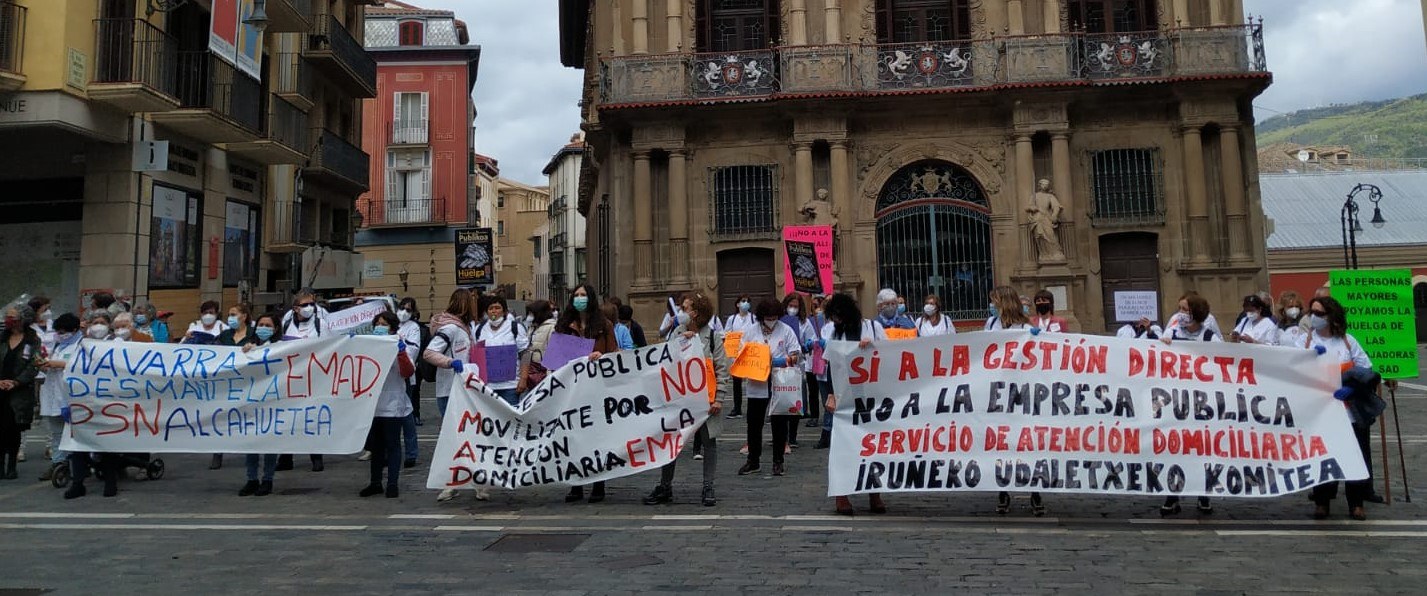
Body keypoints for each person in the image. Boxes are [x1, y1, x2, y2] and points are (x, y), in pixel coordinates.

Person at [645, 292, 727, 507]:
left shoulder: (712, 337)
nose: (680, 312)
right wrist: (682, 342)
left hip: (706, 401)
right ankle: (665, 486)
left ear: (695, 313)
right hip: (681, 400)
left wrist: (719, 399)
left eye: (685, 308)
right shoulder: (677, 333)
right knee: (671, 442)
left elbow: (721, 368)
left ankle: (708, 485)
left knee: (709, 443)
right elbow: (667, 363)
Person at [1305, 296, 1375, 521]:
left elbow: (1367, 369)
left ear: (1331, 316)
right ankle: (1322, 501)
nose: (1314, 317)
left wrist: (1352, 388)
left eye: (1319, 313)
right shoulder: (1304, 341)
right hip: (1320, 412)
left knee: (1355, 455)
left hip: (1349, 411)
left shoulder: (1347, 341)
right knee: (1323, 456)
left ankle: (1356, 502)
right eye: (1312, 312)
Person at [820, 293, 887, 515]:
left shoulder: (873, 328)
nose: (835, 321)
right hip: (843, 397)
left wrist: (873, 346)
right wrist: (830, 394)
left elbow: (891, 356)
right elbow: (831, 364)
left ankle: (874, 494)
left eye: (837, 316)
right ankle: (842, 496)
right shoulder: (833, 332)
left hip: (870, 397)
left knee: (872, 445)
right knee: (843, 447)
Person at [984, 286, 1046, 515]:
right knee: (1002, 443)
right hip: (999, 393)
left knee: (1027, 443)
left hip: (1024, 392)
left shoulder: (1027, 327)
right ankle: (1004, 490)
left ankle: (1035, 491)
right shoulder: (991, 325)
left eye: (994, 301)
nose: (991, 305)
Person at [1158, 292, 1220, 516]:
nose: (1180, 314)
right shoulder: (1172, 332)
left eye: (1185, 310)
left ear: (1196, 312)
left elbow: (1224, 364)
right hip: (1178, 403)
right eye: (1180, 309)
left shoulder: (1210, 338)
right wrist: (1163, 345)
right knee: (1175, 448)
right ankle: (1172, 494)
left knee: (1202, 449)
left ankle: (1204, 495)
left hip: (1202, 405)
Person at [556, 284, 619, 504]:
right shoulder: (564, 325)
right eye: (576, 295)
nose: (580, 298)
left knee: (595, 438)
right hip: (572, 391)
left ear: (590, 299)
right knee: (573, 438)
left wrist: (600, 356)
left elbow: (615, 355)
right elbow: (557, 359)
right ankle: (576, 484)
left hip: (597, 389)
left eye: (583, 295)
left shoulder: (604, 325)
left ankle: (598, 483)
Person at [737, 298, 802, 478]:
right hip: (757, 384)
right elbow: (741, 353)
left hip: (779, 383)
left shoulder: (786, 330)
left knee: (779, 424)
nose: (771, 320)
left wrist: (784, 361)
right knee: (754, 424)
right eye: (768, 317)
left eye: (774, 317)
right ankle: (753, 461)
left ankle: (778, 461)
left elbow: (796, 353)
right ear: (761, 317)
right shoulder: (751, 331)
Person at [425, 289, 479, 503]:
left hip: (464, 389)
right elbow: (429, 353)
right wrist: (450, 363)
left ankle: (473, 481)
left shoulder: (466, 328)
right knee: (455, 439)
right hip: (450, 390)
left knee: (469, 438)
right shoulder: (450, 329)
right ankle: (452, 483)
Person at [361, 311, 416, 499]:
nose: (379, 327)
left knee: (392, 444)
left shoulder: (400, 345)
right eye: (377, 323)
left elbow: (407, 372)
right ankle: (375, 482)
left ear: (392, 327)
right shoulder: (369, 344)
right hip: (372, 403)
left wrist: (401, 352)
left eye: (383, 324)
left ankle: (392, 483)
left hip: (393, 404)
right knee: (375, 446)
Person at [276, 291, 325, 473]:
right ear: (296, 308)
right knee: (288, 416)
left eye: (312, 304)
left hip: (313, 377)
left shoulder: (321, 325)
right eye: (305, 305)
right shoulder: (287, 324)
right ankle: (286, 457)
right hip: (291, 376)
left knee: (312, 416)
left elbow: (331, 346)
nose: (309, 308)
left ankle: (316, 456)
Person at [237, 312, 282, 496]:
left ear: (276, 329)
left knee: (269, 443)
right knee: (252, 442)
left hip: (273, 399)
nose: (263, 328)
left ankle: (268, 480)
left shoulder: (281, 347)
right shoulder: (250, 346)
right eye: (261, 325)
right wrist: (246, 352)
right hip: (252, 400)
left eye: (268, 325)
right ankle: (252, 479)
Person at [37, 314, 82, 481]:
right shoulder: (59, 345)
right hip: (53, 394)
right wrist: (46, 364)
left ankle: (75, 466)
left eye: (62, 332)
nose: (59, 334)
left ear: (75, 330)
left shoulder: (82, 345)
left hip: (71, 395)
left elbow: (84, 366)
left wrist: (61, 364)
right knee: (56, 434)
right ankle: (58, 464)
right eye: (58, 331)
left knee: (73, 434)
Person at [1, 303, 41, 480]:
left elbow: (34, 364)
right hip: (1, 388)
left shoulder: (32, 339)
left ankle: (12, 465)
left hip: (20, 391)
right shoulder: (1, 338)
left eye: (12, 317)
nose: (8, 320)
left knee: (13, 428)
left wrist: (16, 382)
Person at [473, 294, 531, 407]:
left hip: (510, 386)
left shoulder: (515, 328)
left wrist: (523, 378)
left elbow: (525, 353)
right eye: (491, 308)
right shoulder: (479, 329)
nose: (494, 311)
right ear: (486, 312)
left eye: (497, 308)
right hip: (487, 386)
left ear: (504, 312)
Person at [780, 293, 814, 450]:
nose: (792, 308)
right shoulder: (779, 322)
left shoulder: (804, 323)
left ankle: (792, 436)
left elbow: (811, 339)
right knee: (780, 401)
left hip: (796, 366)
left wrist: (807, 345)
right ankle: (781, 435)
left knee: (794, 401)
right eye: (790, 305)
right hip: (779, 367)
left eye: (796, 306)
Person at [395, 297, 423, 464]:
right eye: (402, 308)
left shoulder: (413, 328)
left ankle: (411, 453)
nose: (404, 312)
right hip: (388, 376)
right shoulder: (391, 324)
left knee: (406, 415)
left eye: (408, 309)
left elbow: (413, 351)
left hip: (405, 376)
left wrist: (400, 345)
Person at [723, 294, 757, 420]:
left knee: (752, 382)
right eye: (743, 301)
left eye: (748, 301)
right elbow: (727, 334)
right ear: (737, 304)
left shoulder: (753, 318)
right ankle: (737, 408)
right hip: (736, 354)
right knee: (737, 383)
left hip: (749, 354)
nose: (745, 303)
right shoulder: (732, 319)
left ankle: (752, 408)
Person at [516, 300, 558, 396]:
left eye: (532, 313)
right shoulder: (532, 328)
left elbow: (553, 354)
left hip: (543, 372)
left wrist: (549, 376)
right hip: (531, 372)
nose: (530, 316)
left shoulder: (552, 328)